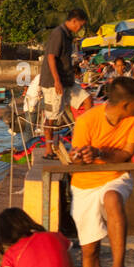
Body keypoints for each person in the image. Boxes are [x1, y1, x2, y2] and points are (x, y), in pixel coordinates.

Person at [69, 76, 134, 267]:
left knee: (112, 198)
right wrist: (80, 157)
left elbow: (125, 155)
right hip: (84, 184)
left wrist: (98, 153)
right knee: (89, 250)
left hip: (116, 175)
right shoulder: (86, 120)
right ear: (125, 105)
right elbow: (76, 161)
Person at [39, 9, 88, 159]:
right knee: (52, 117)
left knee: (88, 100)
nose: (80, 28)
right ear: (74, 21)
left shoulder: (68, 35)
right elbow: (51, 58)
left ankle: (85, 139)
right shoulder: (58, 33)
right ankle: (48, 150)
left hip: (68, 81)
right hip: (54, 82)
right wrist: (57, 81)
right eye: (80, 25)